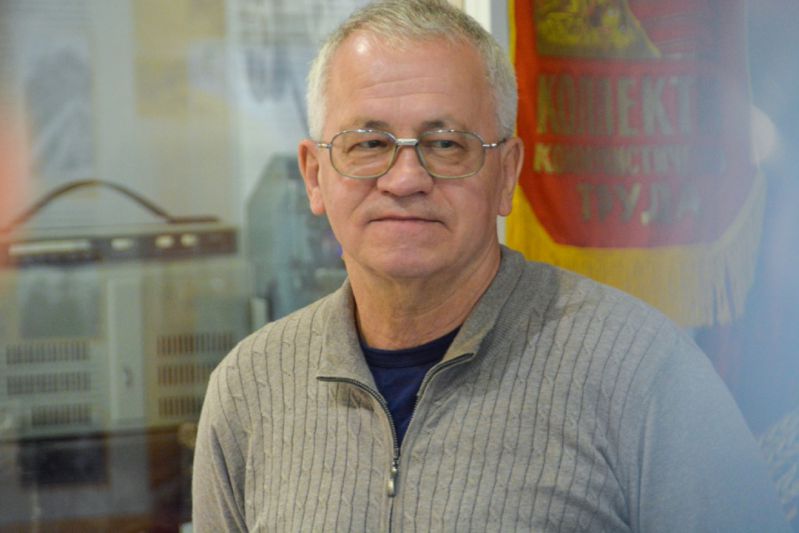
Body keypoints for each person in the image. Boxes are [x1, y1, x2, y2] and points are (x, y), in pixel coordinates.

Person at [192, 1, 790, 531]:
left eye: (446, 144)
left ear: (507, 173)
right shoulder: (250, 389)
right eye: (369, 144)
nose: (405, 179)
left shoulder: (641, 373)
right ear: (314, 175)